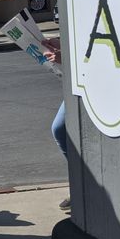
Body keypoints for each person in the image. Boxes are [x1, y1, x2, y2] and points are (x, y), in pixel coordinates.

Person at [42, 37, 70, 210]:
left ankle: (84, 185)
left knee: (60, 129)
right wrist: (62, 42)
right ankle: (80, 183)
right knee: (59, 129)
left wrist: (66, 56)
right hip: (80, 82)